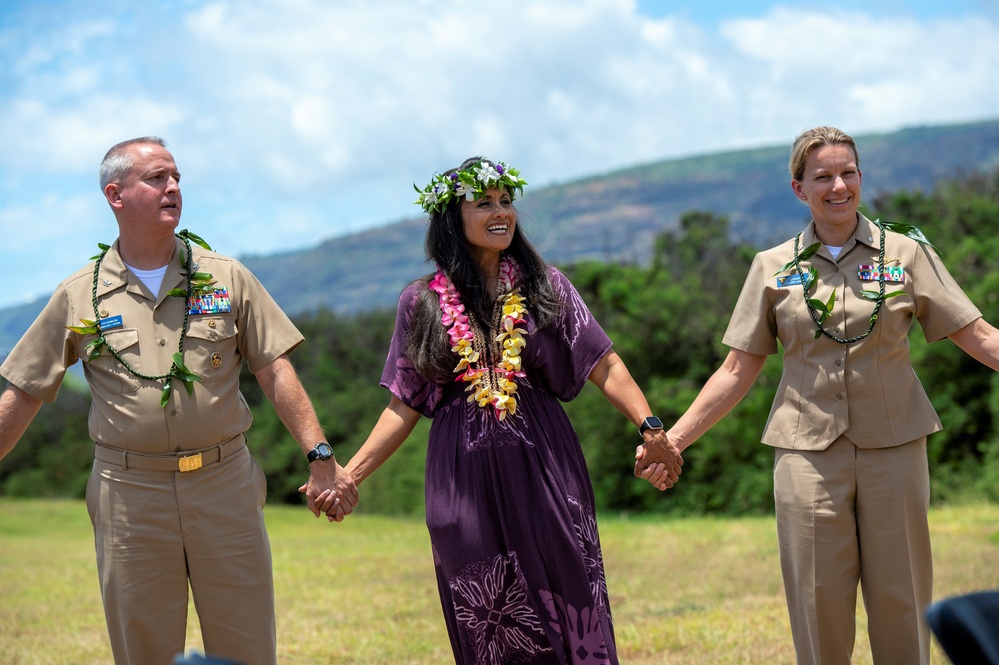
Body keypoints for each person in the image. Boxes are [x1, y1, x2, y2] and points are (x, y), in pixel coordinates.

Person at [637, 126, 999, 665]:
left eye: (848, 173)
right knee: (818, 604)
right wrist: (674, 442)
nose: (838, 185)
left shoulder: (906, 253)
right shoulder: (771, 266)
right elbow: (737, 369)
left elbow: (978, 334)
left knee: (902, 602)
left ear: (861, 178)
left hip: (895, 449)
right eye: (822, 176)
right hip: (806, 457)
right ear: (798, 189)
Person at [0, 137, 357, 665]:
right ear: (115, 196)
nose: (173, 188)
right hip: (129, 495)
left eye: (177, 178)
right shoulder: (80, 293)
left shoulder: (227, 276)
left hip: (225, 485)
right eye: (156, 178)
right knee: (143, 649)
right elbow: (25, 391)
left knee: (247, 647)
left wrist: (321, 457)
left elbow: (274, 368)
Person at [337, 157, 682, 663]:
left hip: (545, 464)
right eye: (484, 203)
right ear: (452, 218)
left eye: (506, 201)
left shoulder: (546, 285)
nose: (501, 212)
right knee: (490, 615)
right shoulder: (420, 302)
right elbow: (402, 404)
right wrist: (350, 475)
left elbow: (603, 364)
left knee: (568, 590)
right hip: (461, 479)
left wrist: (650, 426)